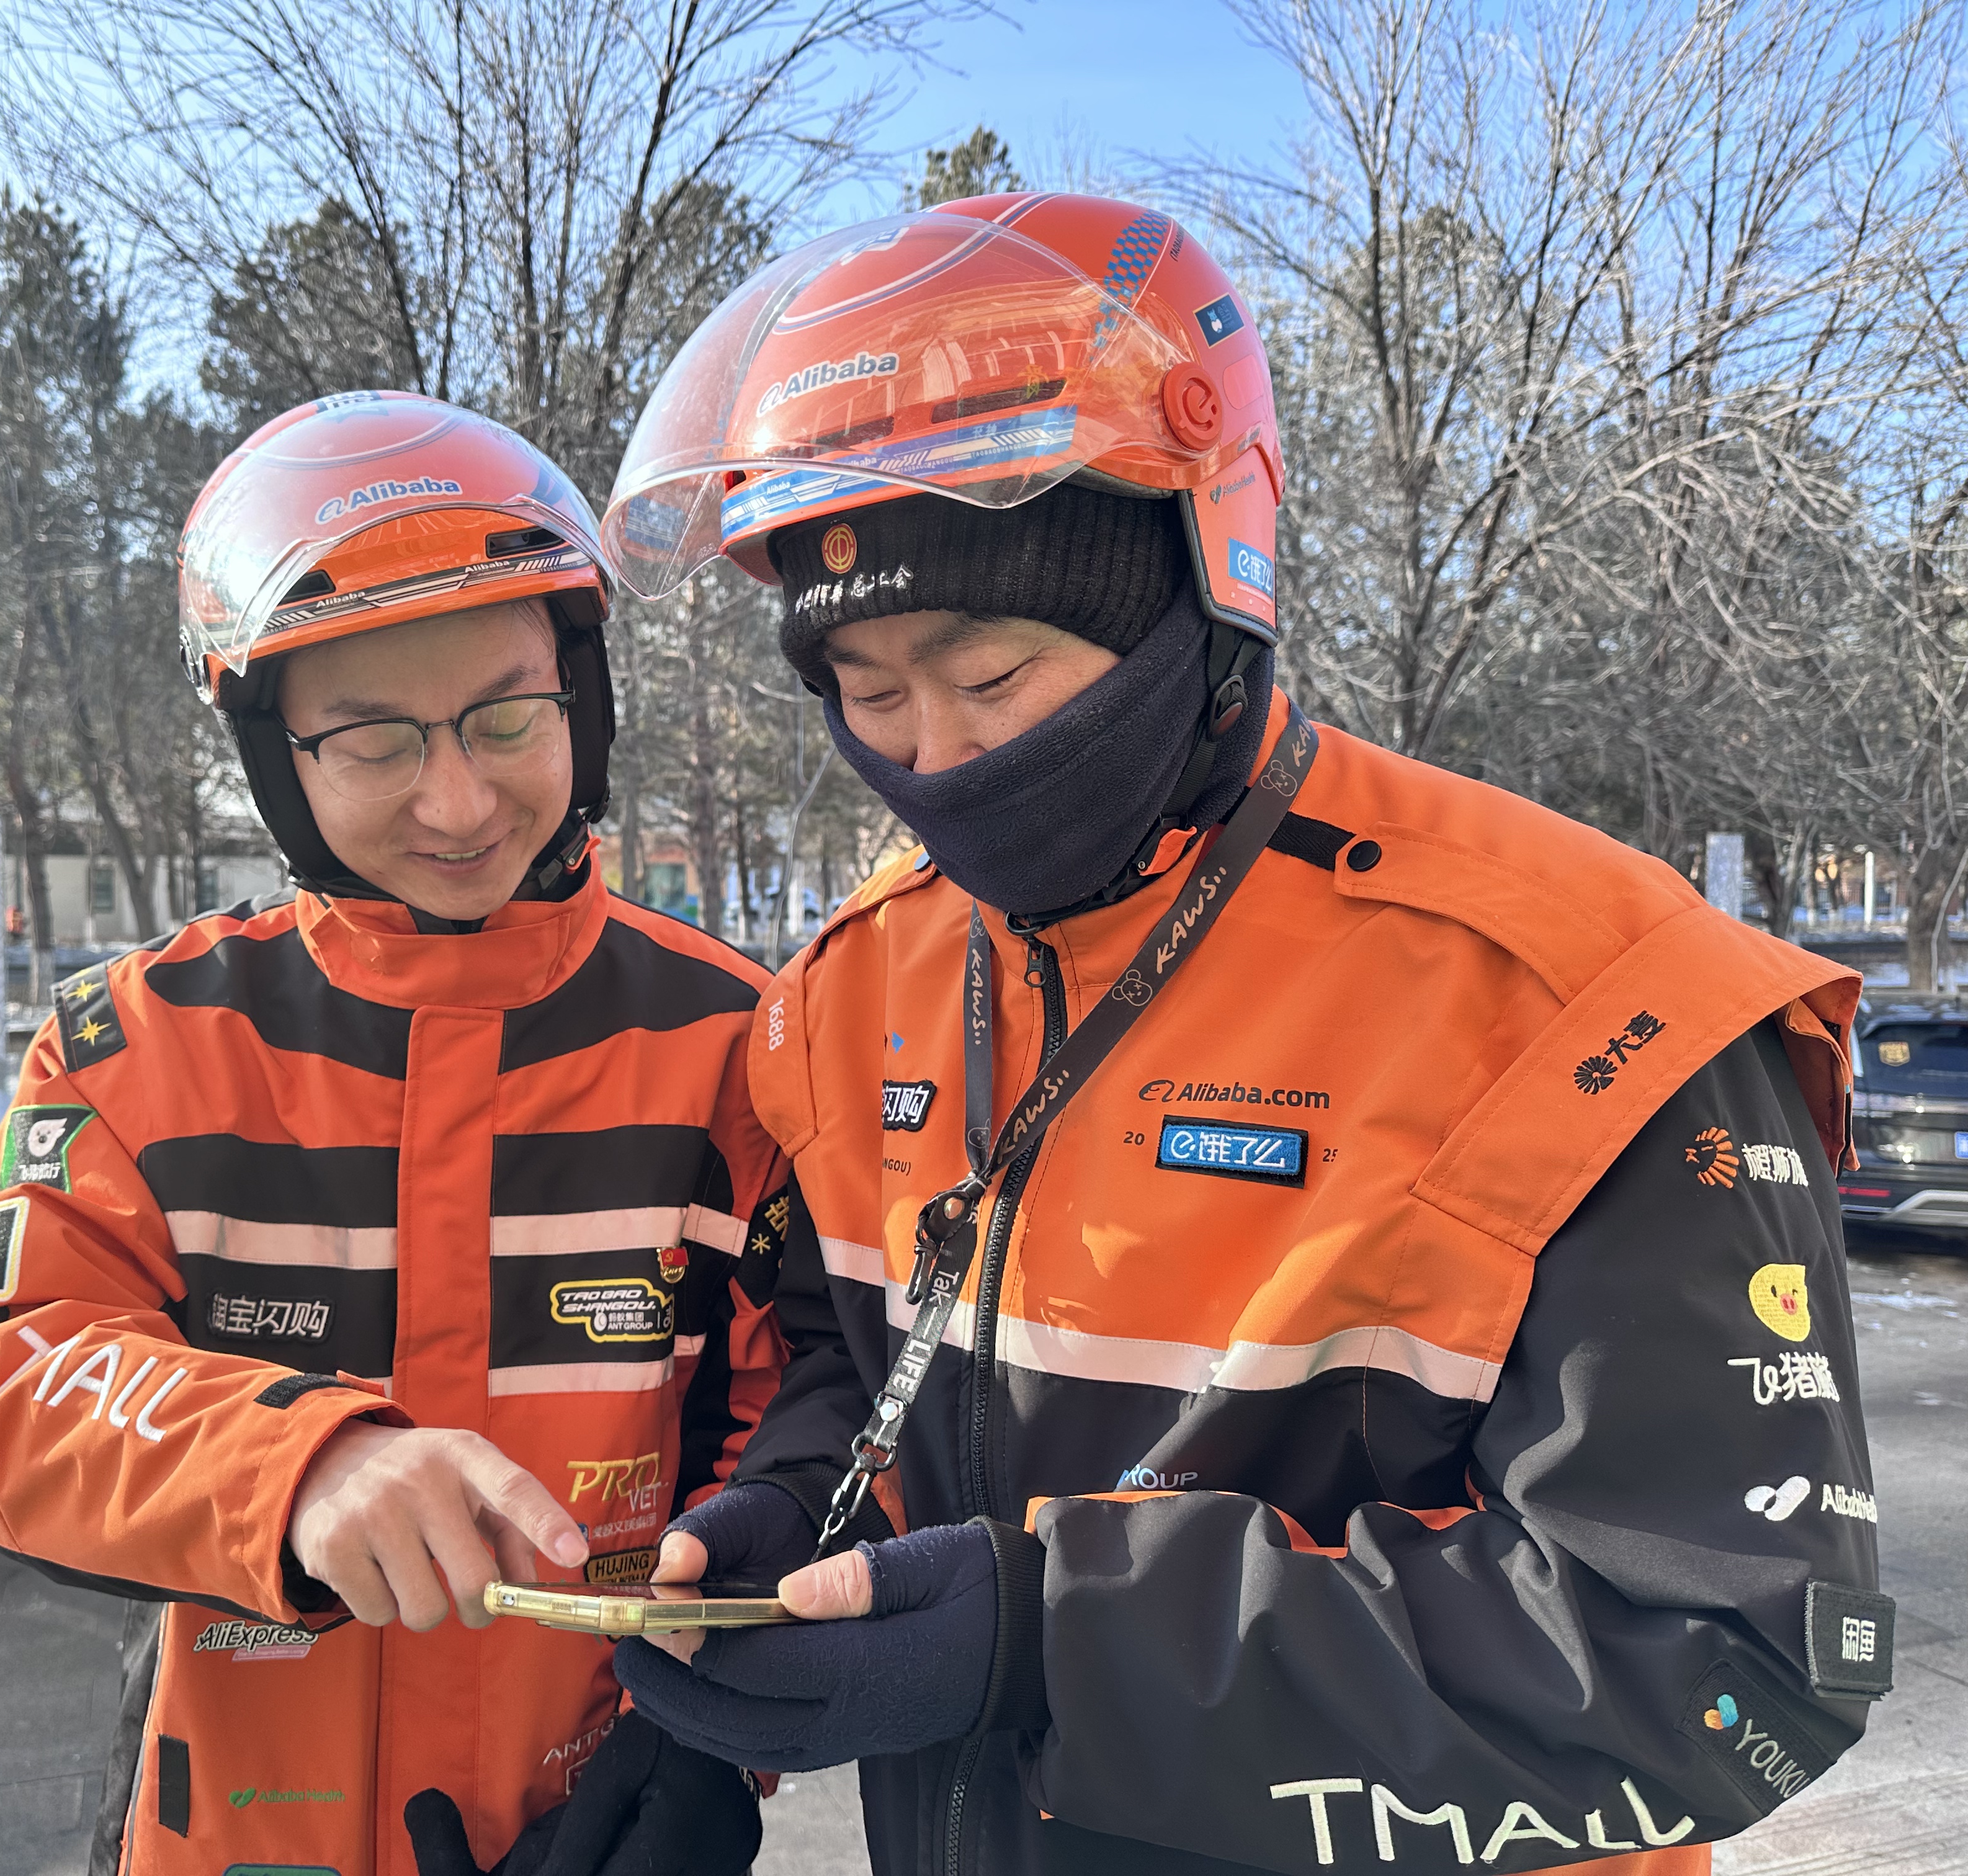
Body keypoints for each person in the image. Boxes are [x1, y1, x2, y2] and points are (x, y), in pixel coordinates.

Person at [594, 195, 1887, 1875]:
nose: (935, 759)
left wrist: (1055, 1643)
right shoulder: (857, 987)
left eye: (992, 678)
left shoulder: (1584, 992)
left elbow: (1733, 1661)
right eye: (868, 688)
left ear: (1196, 595)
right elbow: (863, 1357)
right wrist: (791, 1508)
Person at [0, 391, 784, 1876]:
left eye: (507, 718)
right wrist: (291, 1468)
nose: (459, 799)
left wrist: (710, 1747)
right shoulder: (148, 1044)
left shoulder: (734, 1043)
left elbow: (813, 1422)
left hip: (598, 1817)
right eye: (372, 741)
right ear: (276, 760)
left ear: (584, 698)